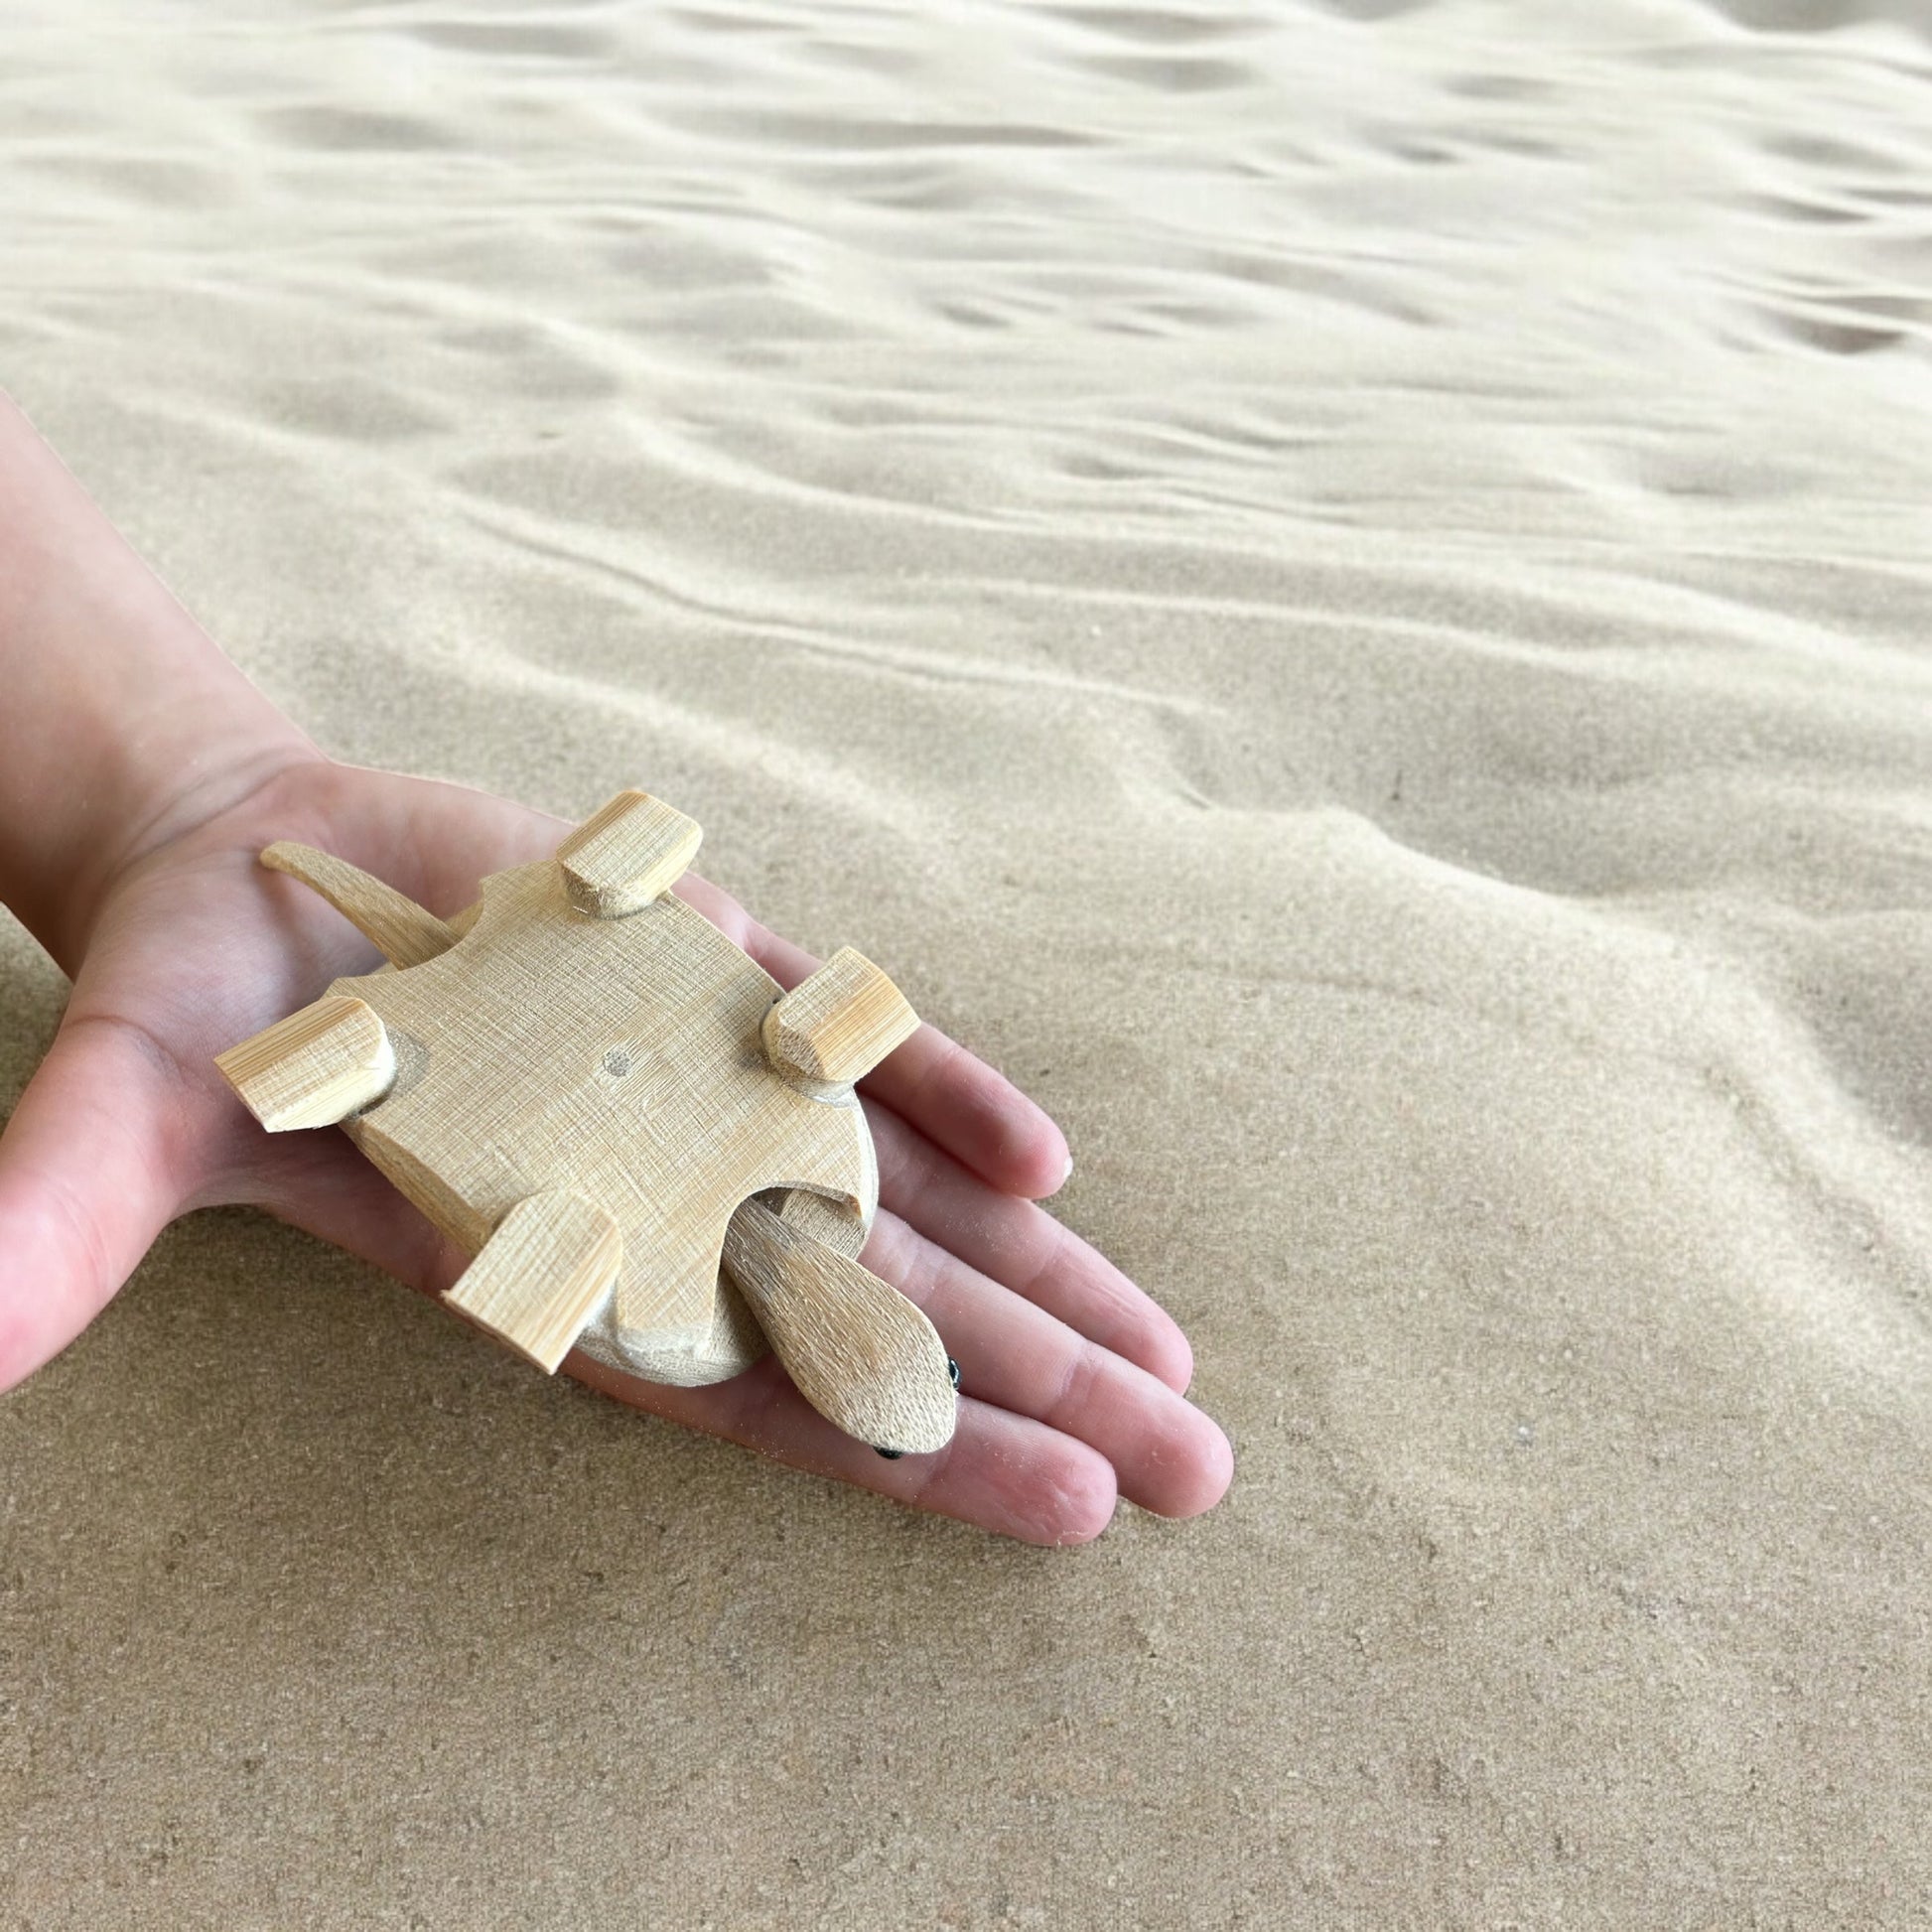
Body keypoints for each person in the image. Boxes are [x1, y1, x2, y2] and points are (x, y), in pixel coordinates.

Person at [0, 392, 1232, 1545]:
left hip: (476, 1033)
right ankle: (348, 1043)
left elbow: (535, 1280)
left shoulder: (693, 1291)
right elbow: (809, 1035)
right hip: (555, 965)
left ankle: (344, 1044)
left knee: (463, 1149)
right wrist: (179, 812)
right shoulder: (819, 1171)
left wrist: (177, 801)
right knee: (518, 1019)